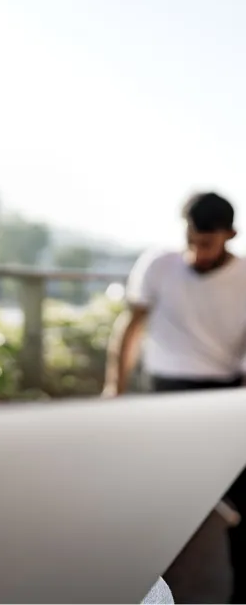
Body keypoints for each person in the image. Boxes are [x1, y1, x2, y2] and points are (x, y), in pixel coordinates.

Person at [103, 191, 246, 603]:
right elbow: (130, 328)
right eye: (191, 240)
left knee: (234, 504)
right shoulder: (158, 265)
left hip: (224, 395)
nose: (196, 252)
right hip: (163, 395)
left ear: (230, 235)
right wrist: (115, 388)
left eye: (207, 243)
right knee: (153, 504)